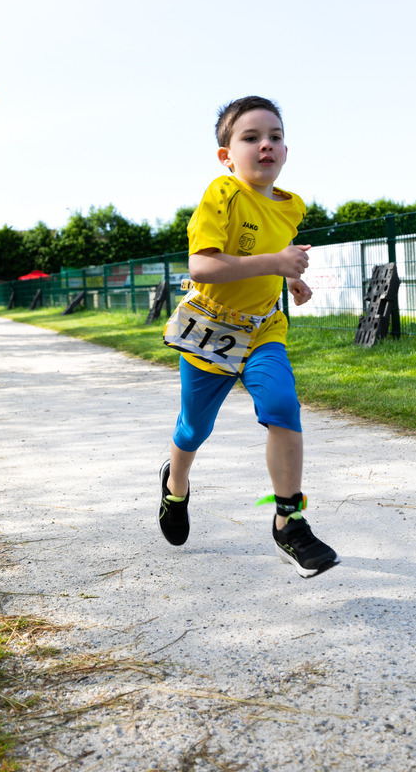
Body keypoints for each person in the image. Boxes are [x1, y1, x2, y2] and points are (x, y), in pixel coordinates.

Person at [159, 95, 338, 578]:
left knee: (282, 404)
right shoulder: (222, 193)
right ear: (227, 155)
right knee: (194, 429)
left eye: (275, 136)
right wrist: (276, 263)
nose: (266, 145)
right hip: (212, 329)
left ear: (286, 150)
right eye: (251, 137)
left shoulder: (292, 206)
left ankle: (289, 522)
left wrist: (290, 276)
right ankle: (176, 487)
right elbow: (203, 266)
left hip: (263, 329)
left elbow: (276, 249)